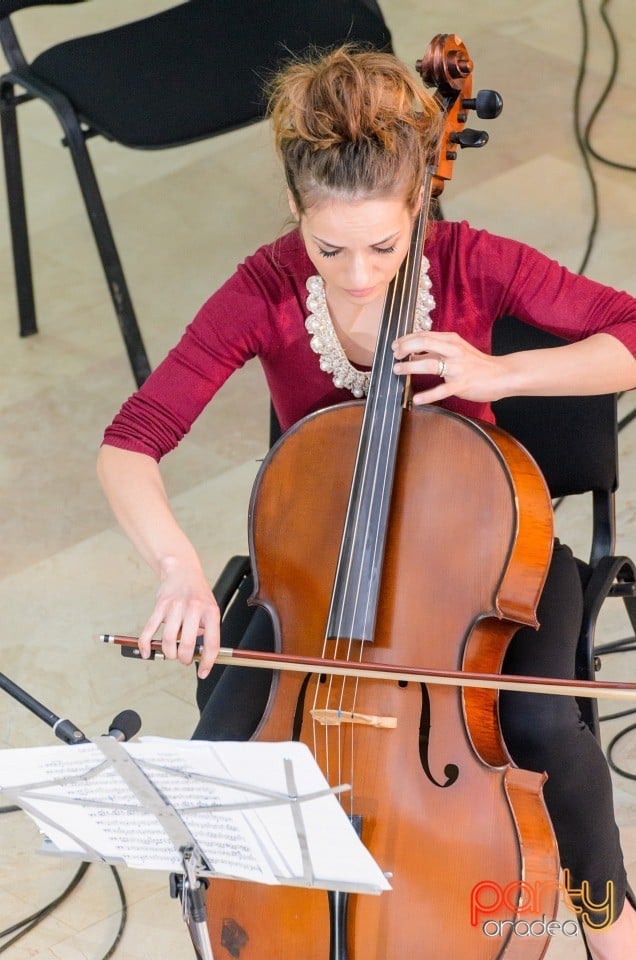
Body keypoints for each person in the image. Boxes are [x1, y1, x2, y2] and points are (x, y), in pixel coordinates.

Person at [97, 46, 636, 958]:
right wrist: (179, 570)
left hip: (482, 559)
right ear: (298, 214)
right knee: (222, 751)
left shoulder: (473, 262)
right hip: (316, 577)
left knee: (547, 723)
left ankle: (612, 924)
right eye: (329, 246)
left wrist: (499, 368)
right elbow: (131, 440)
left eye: (384, 247)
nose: (356, 276)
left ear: (420, 200)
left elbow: (628, 331)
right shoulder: (266, 287)